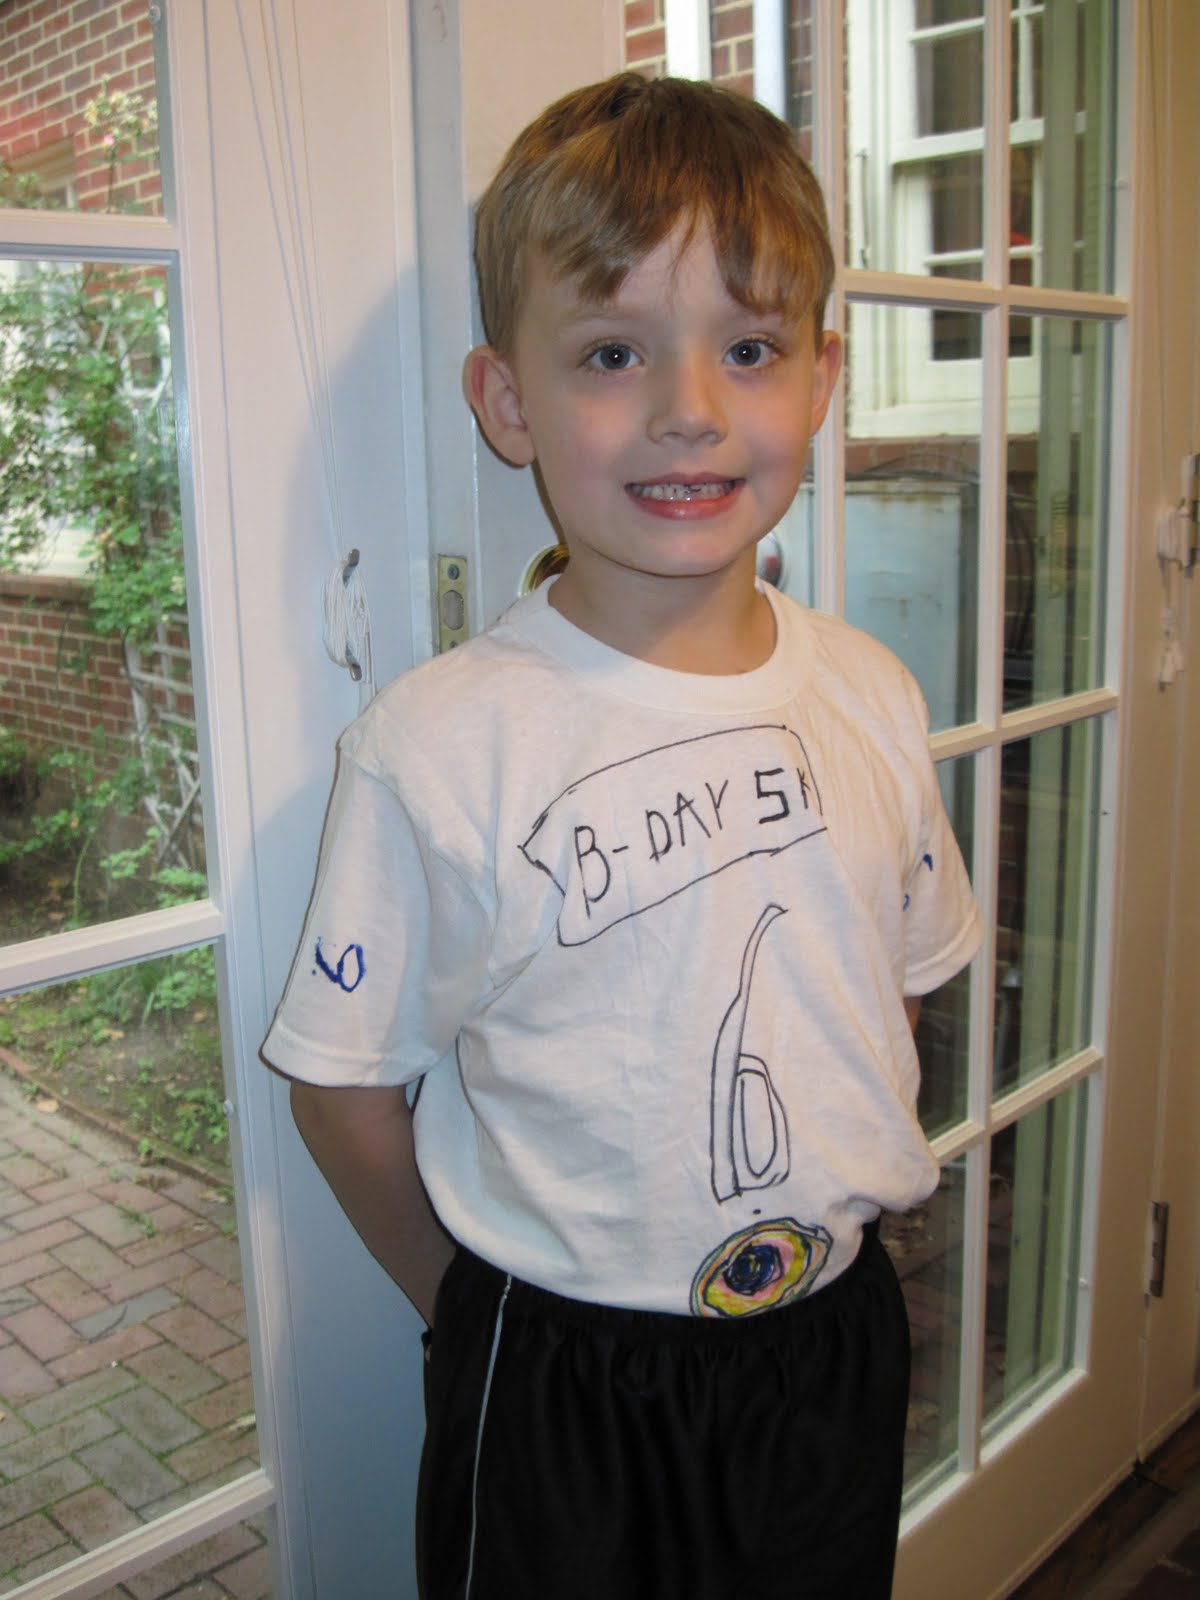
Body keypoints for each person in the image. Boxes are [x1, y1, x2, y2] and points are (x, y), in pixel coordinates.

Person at [263, 70, 982, 1600]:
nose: (690, 411)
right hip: (560, 1380)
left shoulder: (871, 691)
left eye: (749, 348)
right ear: (506, 402)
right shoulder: (440, 746)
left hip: (829, 1351)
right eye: (611, 352)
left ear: (823, 377)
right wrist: (468, 1310)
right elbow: (341, 1082)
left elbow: (895, 984)